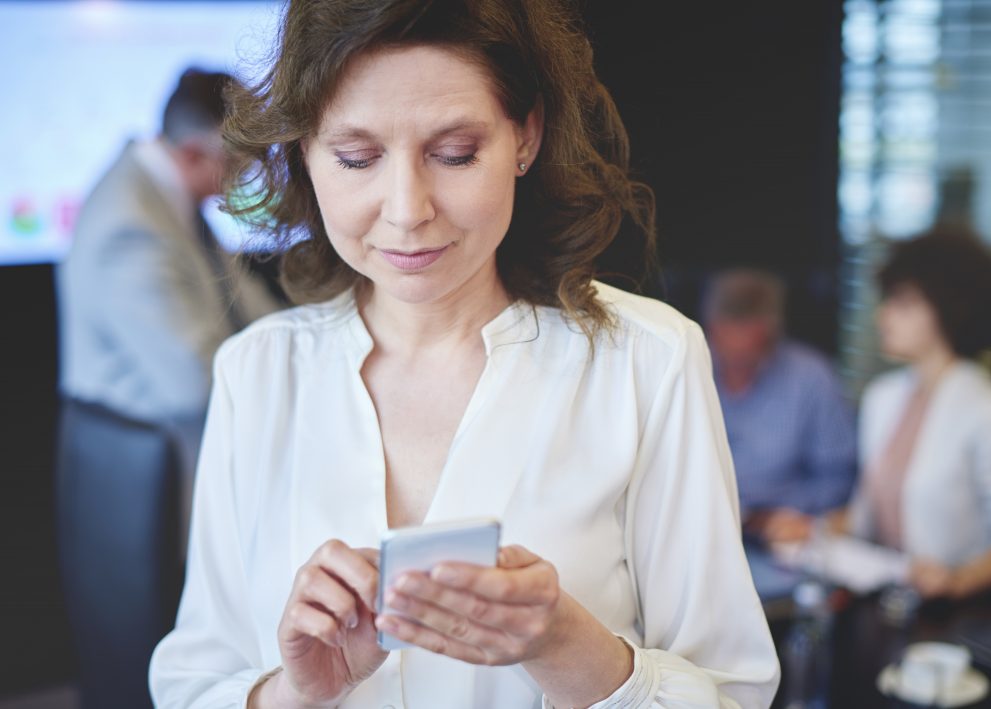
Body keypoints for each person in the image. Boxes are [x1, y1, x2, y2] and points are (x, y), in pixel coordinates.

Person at [149, 1, 780, 707]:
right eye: (356, 158)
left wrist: (566, 644)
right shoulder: (257, 372)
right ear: (305, 152)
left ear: (526, 136)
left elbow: (732, 695)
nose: (406, 208)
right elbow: (192, 683)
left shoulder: (647, 364)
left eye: (453, 154)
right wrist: (294, 692)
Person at [57, 67, 283, 483]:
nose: (243, 177)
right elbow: (192, 385)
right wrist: (294, 388)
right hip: (149, 468)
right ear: (193, 154)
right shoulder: (130, 227)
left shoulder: (166, 196)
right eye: (237, 162)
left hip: (189, 440)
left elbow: (246, 302)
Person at [838, 226, 991, 599]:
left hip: (962, 616)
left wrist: (956, 583)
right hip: (890, 597)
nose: (883, 316)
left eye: (903, 304)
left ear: (949, 311)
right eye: (888, 300)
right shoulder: (882, 398)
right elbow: (867, 517)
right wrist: (812, 531)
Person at [703, 268, 857, 544]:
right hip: (703, 526)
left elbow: (838, 475)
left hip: (780, 535)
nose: (735, 350)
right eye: (726, 338)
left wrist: (784, 513)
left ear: (770, 335)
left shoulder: (811, 377)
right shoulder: (693, 369)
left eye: (747, 342)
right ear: (711, 330)